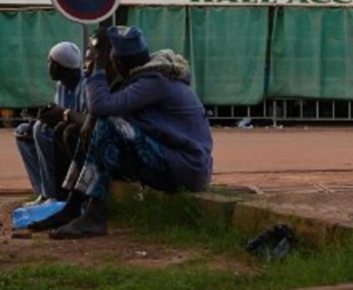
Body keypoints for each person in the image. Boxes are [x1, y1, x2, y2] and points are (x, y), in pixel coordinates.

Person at [28, 26, 213, 240]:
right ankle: (73, 206)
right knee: (95, 124)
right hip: (167, 158)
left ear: (119, 62)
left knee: (107, 124)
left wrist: (98, 67)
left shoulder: (155, 81)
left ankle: (95, 216)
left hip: (185, 166)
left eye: (108, 58)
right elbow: (97, 112)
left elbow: (100, 107)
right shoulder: (141, 78)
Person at [15, 41, 87, 206]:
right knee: (24, 130)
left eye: (50, 62)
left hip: (76, 138)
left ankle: (53, 194)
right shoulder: (61, 85)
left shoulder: (86, 85)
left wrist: (58, 116)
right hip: (60, 131)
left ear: (58, 66)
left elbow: (86, 119)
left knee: (41, 130)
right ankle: (42, 192)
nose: (48, 66)